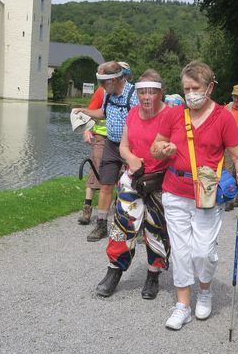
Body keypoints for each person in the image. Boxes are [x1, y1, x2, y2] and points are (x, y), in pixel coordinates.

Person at [151, 61, 238, 330]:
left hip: (206, 193)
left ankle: (204, 290)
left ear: (209, 88)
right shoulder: (173, 115)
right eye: (186, 88)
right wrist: (163, 151)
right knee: (181, 252)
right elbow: (155, 146)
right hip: (174, 190)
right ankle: (182, 305)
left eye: (195, 87)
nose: (190, 93)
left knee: (203, 252)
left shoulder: (222, 117)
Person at [95, 70, 171, 299]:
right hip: (134, 176)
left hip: (159, 180)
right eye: (142, 92)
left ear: (160, 93)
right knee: (122, 225)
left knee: (156, 228)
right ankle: (114, 270)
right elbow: (124, 146)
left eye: (152, 92)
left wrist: (164, 153)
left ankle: (153, 274)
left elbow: (174, 148)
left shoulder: (171, 115)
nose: (146, 97)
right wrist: (130, 159)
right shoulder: (133, 113)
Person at [73, 61, 139, 242]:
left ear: (117, 79)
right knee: (106, 184)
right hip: (111, 144)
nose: (101, 86)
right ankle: (101, 224)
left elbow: (142, 120)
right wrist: (84, 111)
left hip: (131, 146)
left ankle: (137, 224)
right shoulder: (107, 94)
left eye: (105, 82)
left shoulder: (133, 94)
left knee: (134, 186)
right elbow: (103, 113)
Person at [77, 85, 107, 225]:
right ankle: (87, 209)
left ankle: (119, 206)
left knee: (121, 173)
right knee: (96, 169)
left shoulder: (130, 92)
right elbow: (89, 112)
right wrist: (86, 131)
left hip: (121, 139)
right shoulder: (102, 91)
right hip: (101, 137)